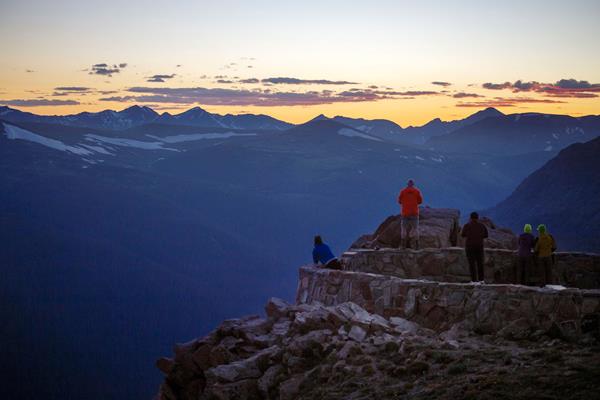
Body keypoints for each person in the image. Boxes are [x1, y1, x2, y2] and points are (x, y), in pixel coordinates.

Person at [461, 212, 488, 283]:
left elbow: (463, 235)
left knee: (472, 263)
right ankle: (481, 280)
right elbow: (486, 235)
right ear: (478, 218)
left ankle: (473, 280)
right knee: (480, 263)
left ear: (470, 218)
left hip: (469, 247)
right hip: (479, 246)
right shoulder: (482, 226)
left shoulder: (467, 225)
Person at [397, 179, 423, 249]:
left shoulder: (403, 192)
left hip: (405, 213)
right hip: (414, 213)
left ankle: (403, 245)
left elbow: (399, 201)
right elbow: (420, 201)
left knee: (404, 229)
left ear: (407, 184)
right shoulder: (417, 191)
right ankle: (417, 245)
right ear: (413, 185)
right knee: (415, 228)